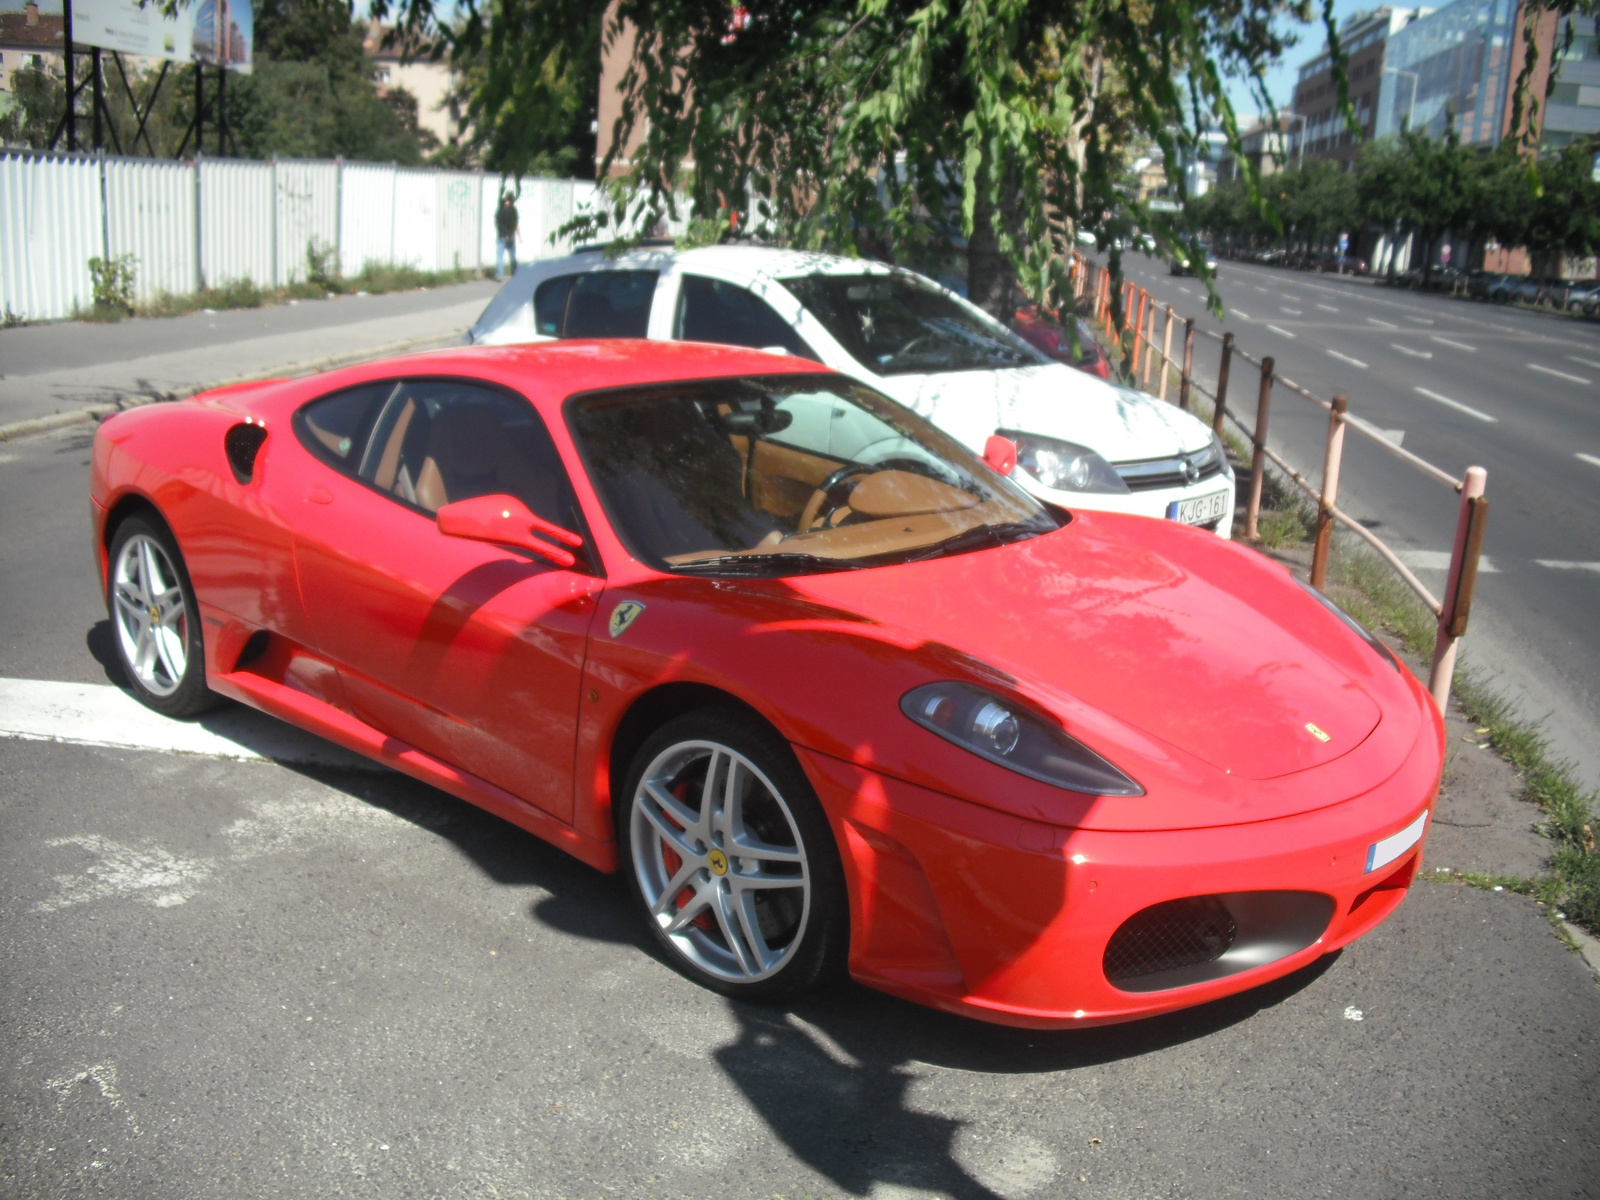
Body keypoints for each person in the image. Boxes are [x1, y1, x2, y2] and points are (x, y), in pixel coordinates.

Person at [495, 192, 519, 280]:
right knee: (512, 256)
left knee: (500, 256)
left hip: (502, 236)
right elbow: (515, 224)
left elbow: (497, 222)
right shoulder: (513, 210)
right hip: (511, 236)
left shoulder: (500, 210)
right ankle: (515, 273)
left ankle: (500, 275)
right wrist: (518, 235)